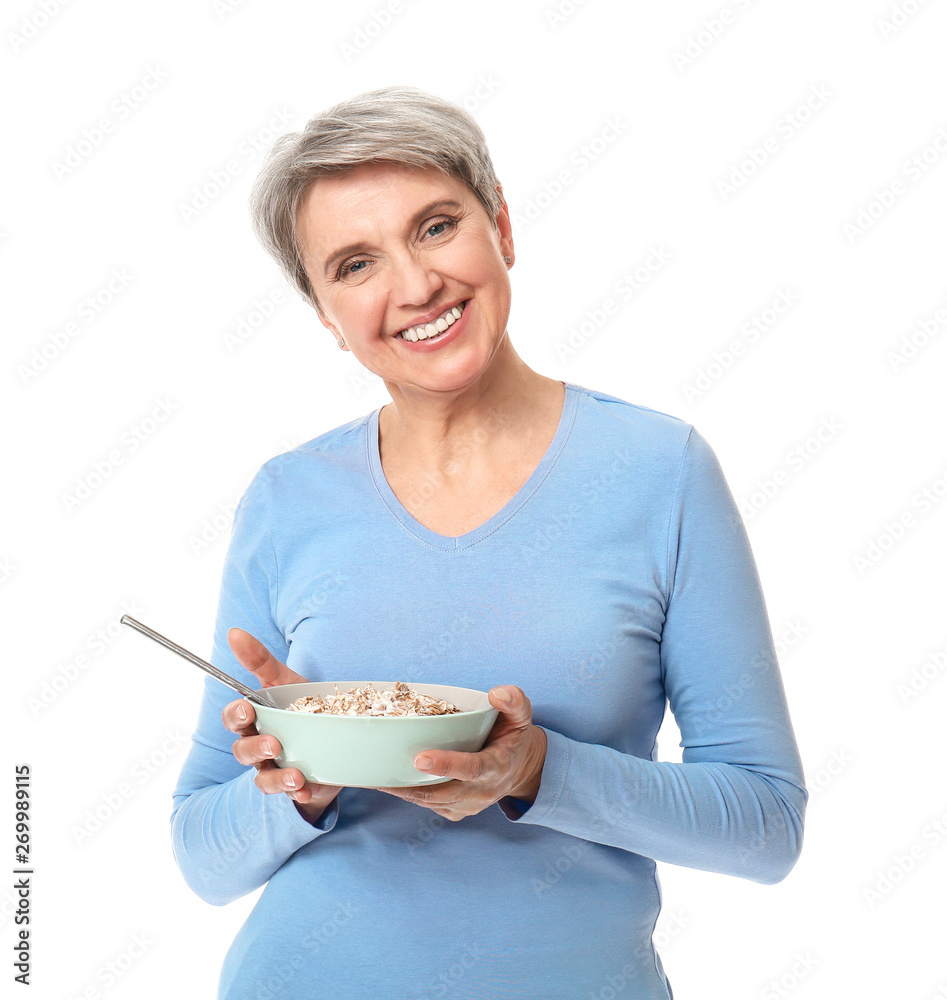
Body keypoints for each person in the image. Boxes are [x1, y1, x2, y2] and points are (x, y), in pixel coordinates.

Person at [170, 85, 807, 1000]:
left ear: (500, 225)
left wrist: (538, 770)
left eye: (435, 227)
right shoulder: (287, 498)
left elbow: (765, 826)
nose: (415, 286)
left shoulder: (658, 471)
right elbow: (201, 855)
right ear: (324, 315)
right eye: (354, 264)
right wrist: (296, 782)